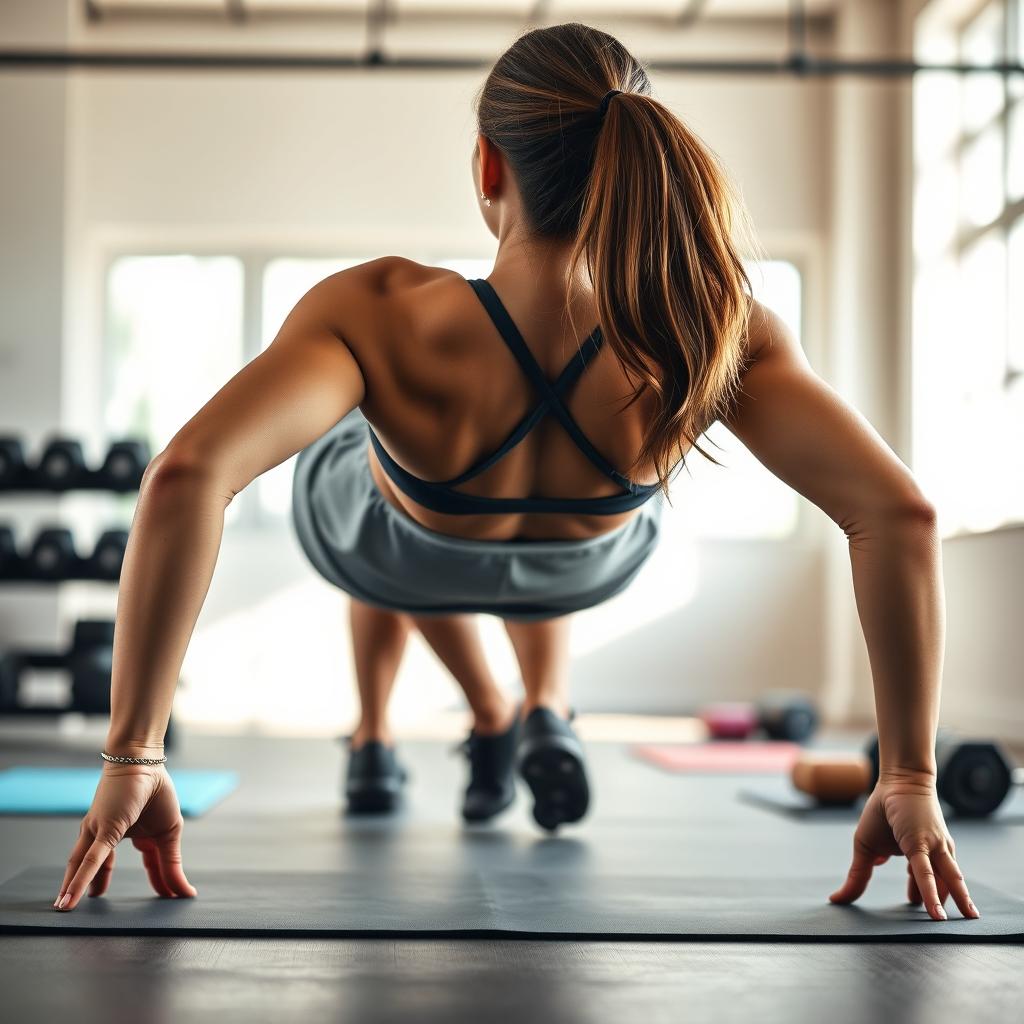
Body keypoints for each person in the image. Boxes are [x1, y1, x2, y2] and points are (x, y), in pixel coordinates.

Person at [52, 21, 979, 923]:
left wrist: (134, 753)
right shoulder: (710, 323)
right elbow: (898, 515)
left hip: (403, 553)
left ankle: (415, 725)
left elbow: (185, 477)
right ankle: (536, 702)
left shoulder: (381, 310)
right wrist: (909, 774)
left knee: (363, 447)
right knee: (490, 477)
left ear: (489, 167)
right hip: (587, 565)